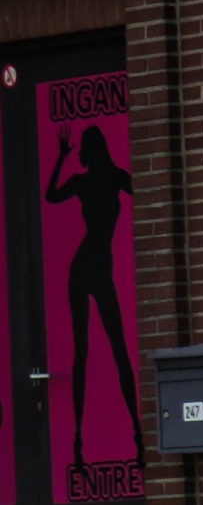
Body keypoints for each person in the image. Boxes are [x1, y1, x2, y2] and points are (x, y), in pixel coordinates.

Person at [44, 123, 138, 470]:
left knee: (116, 349)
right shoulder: (111, 178)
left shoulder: (104, 179)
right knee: (90, 351)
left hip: (95, 267)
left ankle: (134, 438)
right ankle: (80, 443)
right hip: (87, 267)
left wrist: (61, 159)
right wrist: (60, 159)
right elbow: (50, 196)